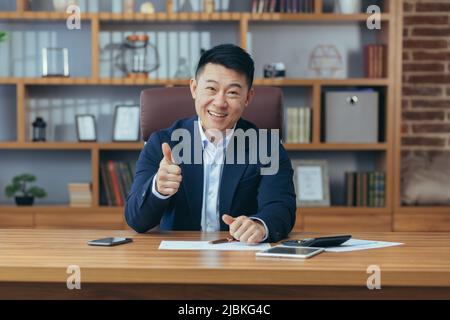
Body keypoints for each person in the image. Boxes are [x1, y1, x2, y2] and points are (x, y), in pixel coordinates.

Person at [125, 44, 296, 243]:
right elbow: (135, 220)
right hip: (177, 261)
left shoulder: (267, 147)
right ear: (194, 89)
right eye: (211, 89)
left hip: (239, 260)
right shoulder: (162, 143)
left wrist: (259, 225)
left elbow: (281, 207)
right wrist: (158, 188)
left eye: (232, 92)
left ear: (248, 97)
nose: (220, 102)